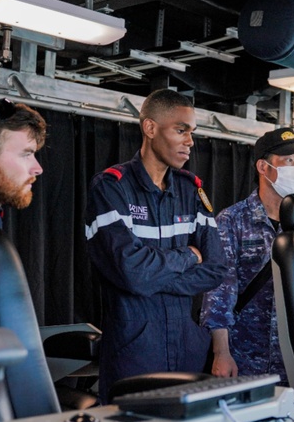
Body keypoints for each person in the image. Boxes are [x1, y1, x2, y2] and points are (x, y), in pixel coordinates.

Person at [84, 89, 225, 403]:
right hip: (134, 350)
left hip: (186, 349)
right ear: (149, 128)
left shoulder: (192, 190)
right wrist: (188, 255)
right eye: (181, 130)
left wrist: (153, 277)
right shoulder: (111, 187)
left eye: (192, 133)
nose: (190, 141)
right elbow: (133, 274)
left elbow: (216, 269)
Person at [202, 128, 294, 381]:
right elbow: (220, 292)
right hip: (246, 355)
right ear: (263, 168)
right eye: (289, 161)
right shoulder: (232, 220)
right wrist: (221, 353)